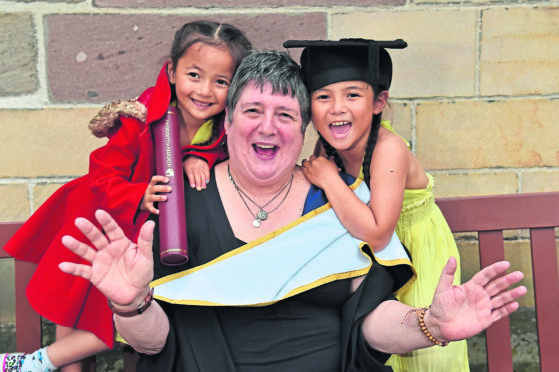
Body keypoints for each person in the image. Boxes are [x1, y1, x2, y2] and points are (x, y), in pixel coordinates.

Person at [58, 50, 526, 372]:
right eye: (252, 111)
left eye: (285, 115)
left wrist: (430, 324)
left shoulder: (337, 204)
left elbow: (372, 324)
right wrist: (129, 303)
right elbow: (153, 343)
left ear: (303, 129)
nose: (268, 127)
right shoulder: (177, 207)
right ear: (228, 121)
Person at [1, 20, 251, 372]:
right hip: (97, 220)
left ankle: (35, 363)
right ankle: (38, 363)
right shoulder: (141, 116)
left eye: (221, 81)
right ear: (172, 71)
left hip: (147, 246)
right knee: (72, 312)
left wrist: (201, 156)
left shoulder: (227, 127)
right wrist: (139, 193)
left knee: (116, 321)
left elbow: (231, 158)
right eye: (195, 75)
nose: (206, 90)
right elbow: (103, 173)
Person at [285, 38, 469, 371]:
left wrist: (329, 179)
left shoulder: (388, 149)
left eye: (352, 95)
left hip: (417, 257)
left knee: (424, 353)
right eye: (322, 96)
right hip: (372, 266)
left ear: (378, 101)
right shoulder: (328, 146)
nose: (337, 107)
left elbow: (379, 233)